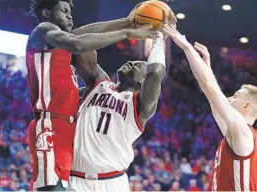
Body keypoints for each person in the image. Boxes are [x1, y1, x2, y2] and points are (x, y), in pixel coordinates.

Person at [26, 0, 156, 190]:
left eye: (70, 11)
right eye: (63, 10)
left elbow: (84, 34)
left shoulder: (58, 41)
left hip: (66, 127)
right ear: (46, 13)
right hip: (49, 124)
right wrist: (128, 33)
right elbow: (78, 43)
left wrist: (126, 22)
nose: (70, 15)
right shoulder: (44, 30)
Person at [67, 31, 168, 191]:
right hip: (74, 179)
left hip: (111, 182)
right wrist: (124, 29)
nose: (131, 63)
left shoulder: (139, 106)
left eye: (138, 65)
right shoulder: (100, 84)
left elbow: (155, 73)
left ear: (143, 81)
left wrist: (157, 40)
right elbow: (78, 45)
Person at [163, 24, 257, 191]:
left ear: (246, 105)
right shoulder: (239, 134)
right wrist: (206, 67)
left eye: (235, 96)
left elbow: (210, 88)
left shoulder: (242, 131)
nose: (228, 98)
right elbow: (213, 101)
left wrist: (185, 46)